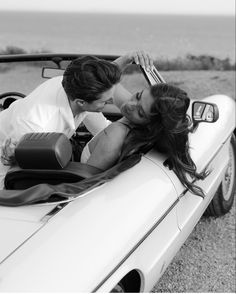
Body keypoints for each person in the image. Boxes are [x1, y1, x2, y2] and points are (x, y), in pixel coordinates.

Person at [0, 51, 153, 189]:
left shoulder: (78, 85)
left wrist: (127, 58)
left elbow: (102, 125)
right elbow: (17, 175)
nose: (111, 101)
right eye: (105, 102)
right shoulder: (34, 126)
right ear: (81, 102)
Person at [80, 83, 208, 198]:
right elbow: (108, 81)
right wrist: (128, 58)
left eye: (140, 112)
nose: (130, 105)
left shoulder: (115, 135)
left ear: (150, 124)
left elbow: (83, 185)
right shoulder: (136, 119)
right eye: (138, 95)